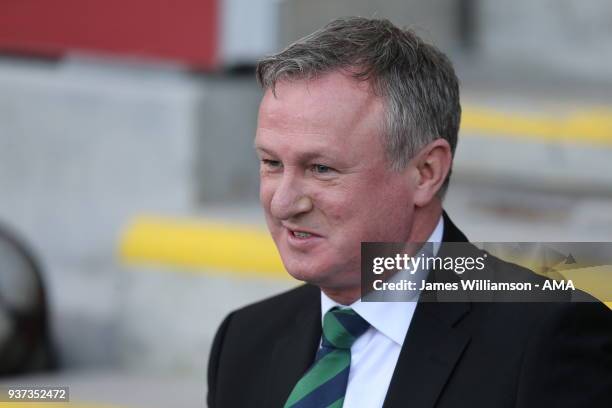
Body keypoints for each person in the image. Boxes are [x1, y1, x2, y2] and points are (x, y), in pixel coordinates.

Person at [207, 17, 612, 407]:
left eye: (321, 169)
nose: (283, 203)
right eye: (272, 163)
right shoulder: (244, 341)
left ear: (425, 172)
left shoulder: (546, 335)